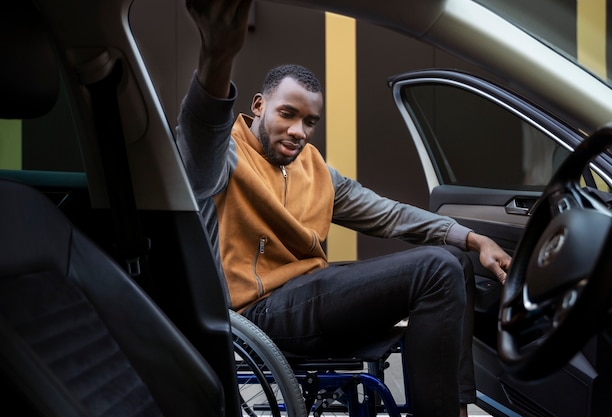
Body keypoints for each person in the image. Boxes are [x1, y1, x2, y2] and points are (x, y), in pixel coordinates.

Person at [177, 1, 511, 416]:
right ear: (259, 105)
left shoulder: (315, 169)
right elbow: (199, 141)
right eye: (288, 114)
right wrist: (217, 57)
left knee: (455, 261)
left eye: (310, 121)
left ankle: (454, 407)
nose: (299, 131)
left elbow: (388, 213)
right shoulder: (226, 153)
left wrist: (473, 237)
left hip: (310, 295)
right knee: (435, 269)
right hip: (256, 314)